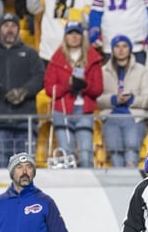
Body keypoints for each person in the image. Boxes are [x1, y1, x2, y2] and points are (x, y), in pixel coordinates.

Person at [0, 13, 45, 167]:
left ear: (18, 30)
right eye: (6, 25)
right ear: (0, 29)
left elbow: (40, 78)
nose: (10, 29)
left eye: (13, 26)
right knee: (3, 167)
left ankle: (26, 193)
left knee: (25, 168)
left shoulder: (30, 53)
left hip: (26, 120)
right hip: (0, 120)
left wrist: (24, 91)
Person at [44, 21, 104, 168]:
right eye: (70, 33)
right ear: (65, 36)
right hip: (62, 110)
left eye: (77, 33)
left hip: (84, 110)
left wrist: (84, 85)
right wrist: (68, 84)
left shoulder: (92, 58)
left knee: (85, 154)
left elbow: (98, 89)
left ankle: (89, 188)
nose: (74, 36)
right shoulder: (56, 59)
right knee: (66, 154)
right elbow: (49, 89)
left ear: (82, 36)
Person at [97, 35, 148, 167]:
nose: (121, 50)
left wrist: (132, 100)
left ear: (130, 49)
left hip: (135, 117)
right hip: (110, 116)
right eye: (117, 46)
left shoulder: (142, 71)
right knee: (115, 153)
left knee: (131, 151)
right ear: (112, 50)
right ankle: (119, 183)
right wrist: (114, 99)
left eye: (124, 46)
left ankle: (132, 182)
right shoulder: (102, 71)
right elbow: (96, 99)